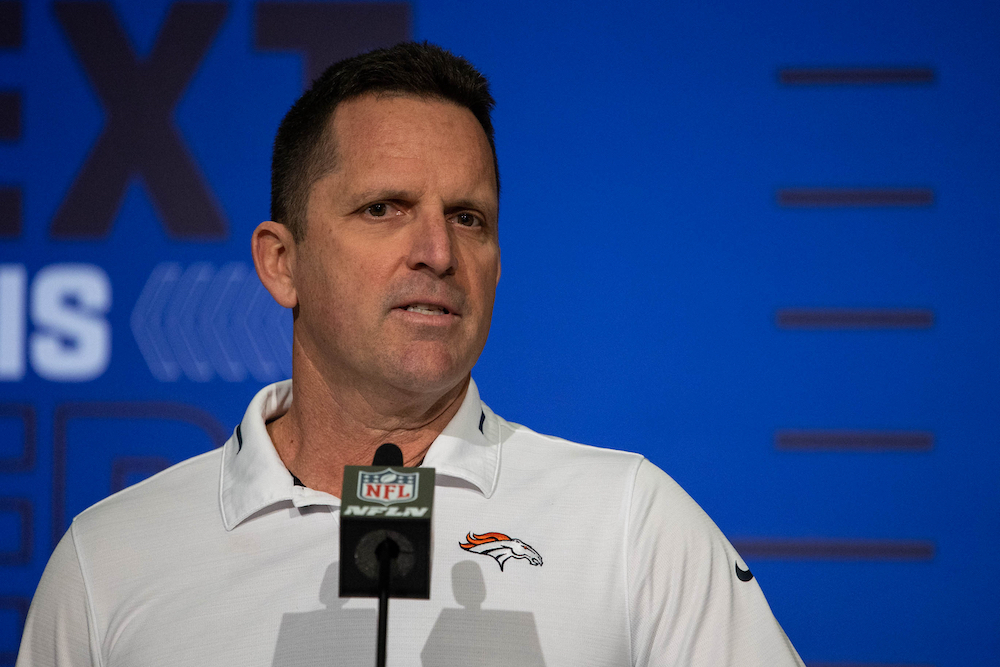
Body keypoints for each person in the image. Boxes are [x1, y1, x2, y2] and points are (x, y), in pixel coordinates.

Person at [17, 42, 804, 666]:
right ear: (280, 262)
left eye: (468, 217)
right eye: (383, 208)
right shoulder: (108, 560)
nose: (436, 251)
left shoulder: (632, 524)